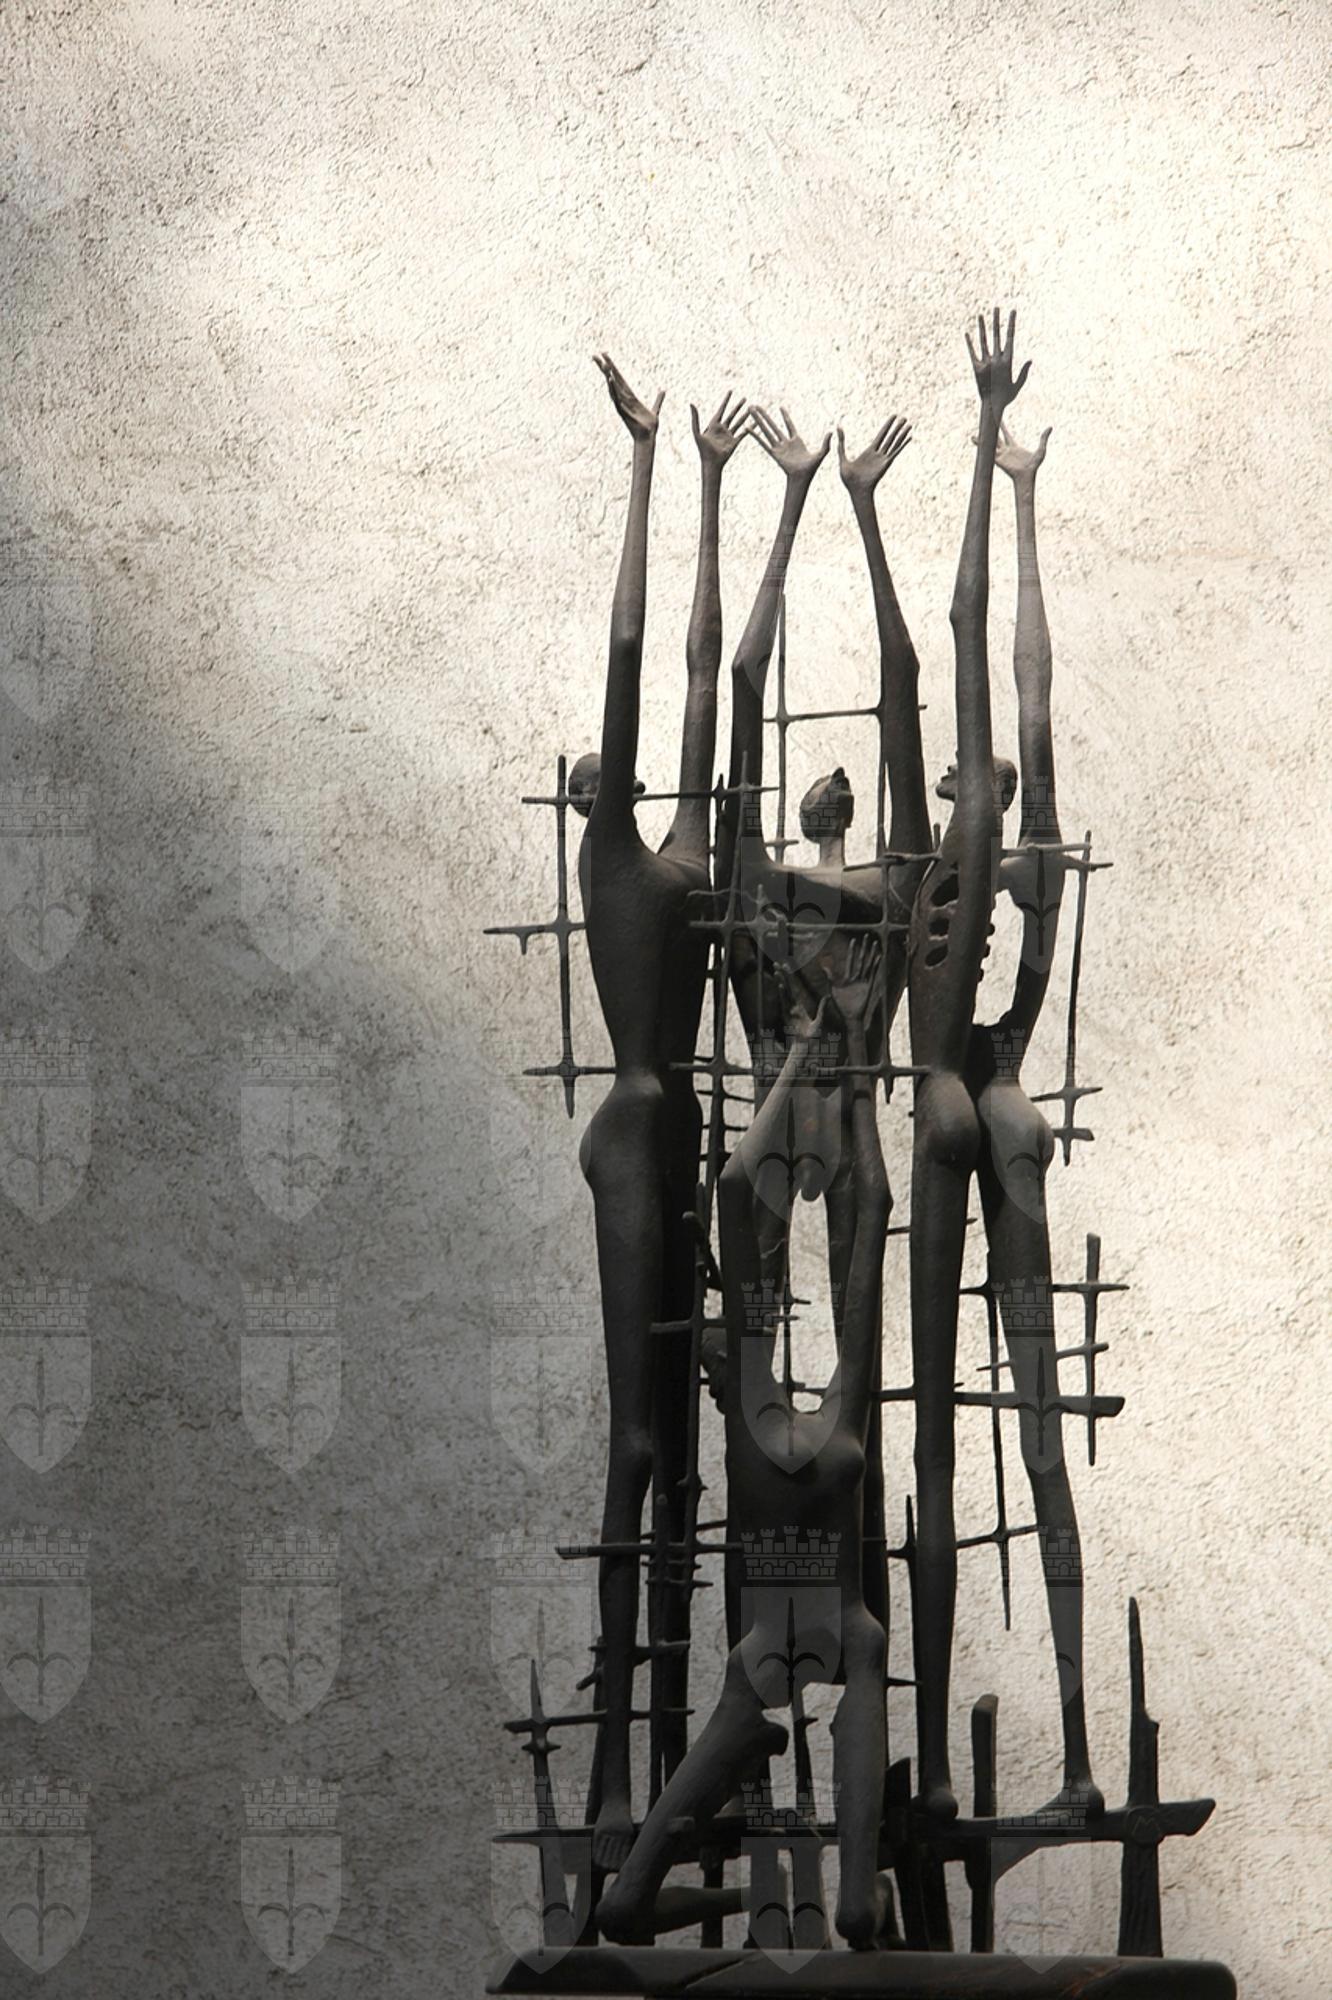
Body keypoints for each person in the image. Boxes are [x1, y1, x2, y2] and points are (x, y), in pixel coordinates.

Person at [596, 939, 895, 1950]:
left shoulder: (754, 1430)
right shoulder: (836, 1419)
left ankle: (638, 1884)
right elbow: (868, 1215)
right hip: (834, 1630)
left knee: (761, 1704)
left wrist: (810, 1057)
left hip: (767, 1647)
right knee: (867, 1649)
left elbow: (737, 1184)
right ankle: (855, 1891)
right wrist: (844, 1071)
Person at [573, 356, 748, 1868]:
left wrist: (706, 481)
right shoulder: (624, 860)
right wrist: (646, 469)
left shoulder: (684, 850)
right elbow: (636, 657)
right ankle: (614, 1776)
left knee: (686, 1453)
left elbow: (698, 673)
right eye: (592, 771)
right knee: (639, 1444)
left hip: (674, 1128)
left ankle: (676, 1772)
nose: (593, 768)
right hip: (638, 1132)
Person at [905, 310, 1032, 1821]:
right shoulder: (938, 860)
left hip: (928, 1100)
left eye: (964, 764)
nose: (957, 765)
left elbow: (963, 632)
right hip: (934, 1103)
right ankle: (930, 1762)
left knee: (935, 1435)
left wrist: (990, 450)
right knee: (931, 1433)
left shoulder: (958, 845)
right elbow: (945, 653)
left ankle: (935, 1760)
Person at [966, 416, 1102, 1815]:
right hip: (957, 1111)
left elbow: (1030, 692)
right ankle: (1065, 1752)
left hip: (991, 1105)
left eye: (992, 784)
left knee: (1039, 1425)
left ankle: (1074, 1752)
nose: (984, 785)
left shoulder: (1022, 865)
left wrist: (1018, 499)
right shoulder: (930, 874)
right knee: (1020, 1429)